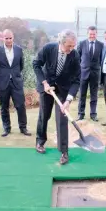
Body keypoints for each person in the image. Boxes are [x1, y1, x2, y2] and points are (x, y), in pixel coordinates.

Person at [33, 29, 81, 165]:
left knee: (62, 119)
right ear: (61, 42)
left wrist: (68, 100)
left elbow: (77, 79)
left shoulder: (75, 55)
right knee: (44, 115)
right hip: (47, 86)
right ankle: (40, 142)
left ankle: (64, 151)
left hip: (63, 89)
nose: (71, 49)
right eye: (69, 46)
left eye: (73, 46)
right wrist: (44, 82)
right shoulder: (49, 49)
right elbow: (36, 64)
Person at [0, 29, 31, 137]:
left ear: (13, 38)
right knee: (4, 106)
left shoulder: (18, 50)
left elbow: (21, 65)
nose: (8, 40)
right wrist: (1, 75)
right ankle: (6, 128)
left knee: (20, 105)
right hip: (2, 82)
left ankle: (23, 128)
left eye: (10, 38)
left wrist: (14, 75)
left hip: (16, 82)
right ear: (2, 38)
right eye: (6, 38)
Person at [76, 26, 104, 122]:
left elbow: (101, 60)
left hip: (95, 74)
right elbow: (77, 58)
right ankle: (80, 114)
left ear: (96, 34)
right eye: (90, 34)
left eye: (94, 34)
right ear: (87, 34)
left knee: (94, 95)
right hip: (83, 73)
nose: (92, 36)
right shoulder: (82, 43)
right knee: (82, 95)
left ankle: (93, 114)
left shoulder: (101, 45)